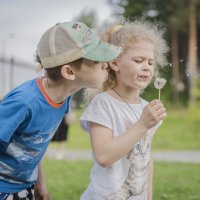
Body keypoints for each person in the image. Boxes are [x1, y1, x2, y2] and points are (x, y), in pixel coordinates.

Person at [0, 21, 122, 200]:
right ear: (69, 72)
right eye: (97, 61)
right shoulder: (24, 102)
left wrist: (40, 182)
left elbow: (34, 143)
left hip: (24, 185)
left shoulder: (62, 97)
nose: (106, 65)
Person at [80, 18, 169, 200]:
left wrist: (148, 196)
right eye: (138, 60)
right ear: (114, 63)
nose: (146, 67)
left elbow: (146, 158)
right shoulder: (103, 103)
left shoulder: (145, 107)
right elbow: (103, 157)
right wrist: (142, 124)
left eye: (151, 63)